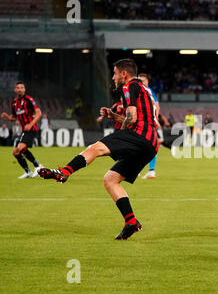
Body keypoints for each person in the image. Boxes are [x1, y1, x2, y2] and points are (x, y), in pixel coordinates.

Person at [38, 58, 159, 240]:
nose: (113, 77)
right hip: (150, 144)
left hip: (139, 135)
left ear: (124, 74)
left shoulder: (129, 87)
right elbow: (135, 116)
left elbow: (132, 118)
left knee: (96, 148)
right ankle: (131, 222)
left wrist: (123, 122)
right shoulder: (141, 88)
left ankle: (64, 171)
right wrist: (114, 116)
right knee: (111, 179)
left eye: (115, 73)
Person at [1, 82, 43, 178]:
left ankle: (38, 166)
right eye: (18, 88)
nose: (20, 89)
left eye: (22, 87)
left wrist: (30, 124)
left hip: (32, 129)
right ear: (15, 90)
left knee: (19, 149)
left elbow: (39, 113)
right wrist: (7, 116)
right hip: (25, 131)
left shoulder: (29, 100)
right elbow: (14, 118)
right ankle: (28, 171)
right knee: (16, 152)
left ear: (24, 89)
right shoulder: (14, 103)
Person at [138, 73, 160, 179]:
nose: (141, 83)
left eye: (143, 81)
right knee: (146, 146)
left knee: (141, 146)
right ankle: (149, 171)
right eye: (139, 80)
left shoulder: (147, 91)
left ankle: (148, 171)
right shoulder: (140, 90)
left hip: (144, 123)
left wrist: (155, 119)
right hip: (142, 122)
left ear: (147, 82)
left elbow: (156, 105)